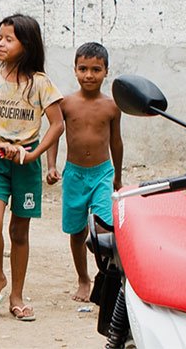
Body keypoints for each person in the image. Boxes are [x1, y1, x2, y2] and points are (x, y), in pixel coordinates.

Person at [0, 13, 64, 321]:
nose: (0, 44)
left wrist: (35, 156)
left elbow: (57, 124)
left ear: (27, 44)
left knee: (19, 231)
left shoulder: (41, 84)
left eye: (9, 39)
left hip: (25, 164)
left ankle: (16, 295)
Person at [46, 42, 123, 302]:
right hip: (74, 175)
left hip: (102, 173)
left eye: (96, 69)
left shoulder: (112, 106)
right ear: (75, 70)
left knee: (103, 230)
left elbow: (116, 142)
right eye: (83, 69)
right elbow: (54, 134)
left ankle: (108, 280)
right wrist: (52, 165)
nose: (89, 75)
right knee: (77, 231)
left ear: (106, 71)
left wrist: (118, 177)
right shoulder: (66, 104)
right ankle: (83, 278)